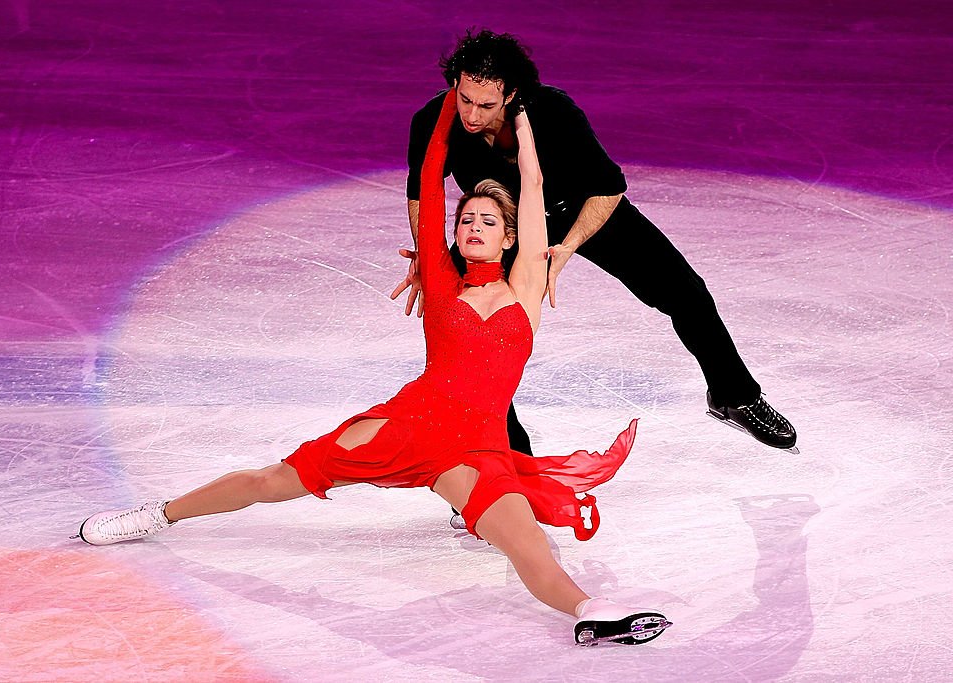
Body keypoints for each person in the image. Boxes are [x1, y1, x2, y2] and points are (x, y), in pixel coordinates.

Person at [76, 94, 671, 647]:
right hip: (409, 424)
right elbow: (434, 166)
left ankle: (590, 616)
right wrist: (447, 107)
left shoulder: (526, 288)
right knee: (272, 482)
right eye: (467, 220)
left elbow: (535, 187)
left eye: (488, 222)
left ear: (511, 236)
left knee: (526, 543)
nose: (472, 227)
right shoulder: (440, 283)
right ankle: (157, 514)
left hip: (478, 451)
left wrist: (521, 125)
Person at [394, 30, 797, 462]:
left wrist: (566, 247)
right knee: (471, 343)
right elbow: (422, 194)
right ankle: (506, 464)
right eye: (465, 97)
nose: (471, 114)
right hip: (503, 228)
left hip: (581, 210)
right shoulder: (432, 119)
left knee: (686, 292)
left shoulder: (554, 111)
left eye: (486, 104)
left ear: (511, 94)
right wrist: (429, 260)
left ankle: (733, 394)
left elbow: (608, 189)